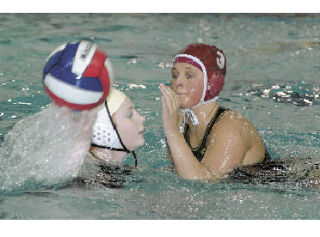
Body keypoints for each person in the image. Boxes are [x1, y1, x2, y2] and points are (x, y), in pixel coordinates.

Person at [160, 43, 269, 182]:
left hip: (287, 184)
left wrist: (172, 132)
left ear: (212, 82)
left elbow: (204, 182)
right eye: (175, 75)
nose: (178, 82)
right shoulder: (180, 122)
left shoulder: (232, 127)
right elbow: (178, 174)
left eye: (189, 75)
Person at [75, 88, 146, 188]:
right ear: (106, 128)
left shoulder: (111, 171)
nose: (142, 118)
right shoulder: (93, 180)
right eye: (129, 115)